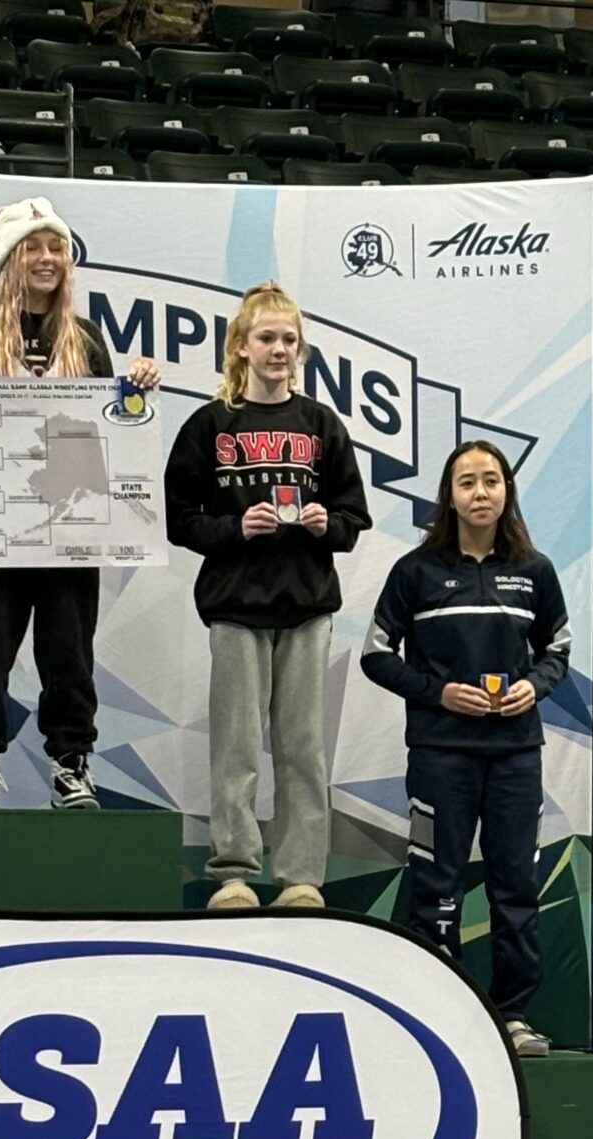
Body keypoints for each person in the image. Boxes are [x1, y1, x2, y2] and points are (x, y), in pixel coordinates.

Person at [0, 196, 160, 812]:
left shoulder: (83, 339)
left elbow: (113, 435)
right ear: (7, 260)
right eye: (33, 246)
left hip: (70, 532)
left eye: (56, 247)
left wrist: (134, 397)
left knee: (70, 656)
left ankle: (72, 764)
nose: (47, 258)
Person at [163, 281, 370, 909]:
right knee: (235, 747)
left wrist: (322, 525)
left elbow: (353, 517)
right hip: (234, 606)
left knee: (303, 747)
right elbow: (180, 518)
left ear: (300, 349)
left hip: (307, 607)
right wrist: (235, 528)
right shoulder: (210, 424)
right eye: (267, 338)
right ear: (240, 346)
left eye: (289, 339)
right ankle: (233, 873)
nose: (279, 349)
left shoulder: (320, 424)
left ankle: (302, 876)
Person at [362, 440, 571, 1056]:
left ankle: (511, 1016)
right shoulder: (415, 572)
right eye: (466, 483)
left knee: (515, 886)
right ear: (448, 497)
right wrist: (439, 694)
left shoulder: (535, 571)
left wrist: (533, 688)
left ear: (506, 491)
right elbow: (376, 654)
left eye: (491, 481)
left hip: (514, 757)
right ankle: (435, 1008)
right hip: (440, 753)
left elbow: (556, 651)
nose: (480, 493)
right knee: (437, 881)